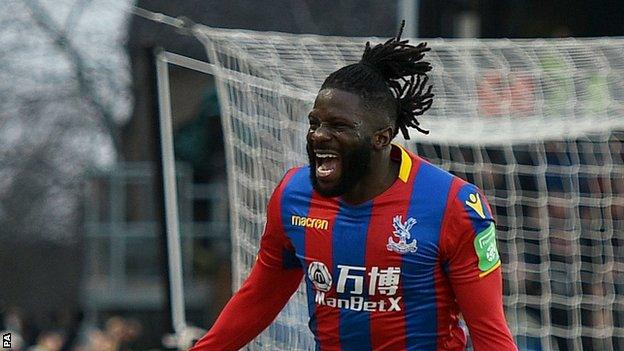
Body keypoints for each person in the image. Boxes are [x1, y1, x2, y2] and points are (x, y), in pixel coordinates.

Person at [190, 24, 517, 351]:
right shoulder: (293, 196)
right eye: (314, 123)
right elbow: (258, 299)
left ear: (382, 138)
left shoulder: (453, 205)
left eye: (338, 126)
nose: (318, 135)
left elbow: (489, 332)